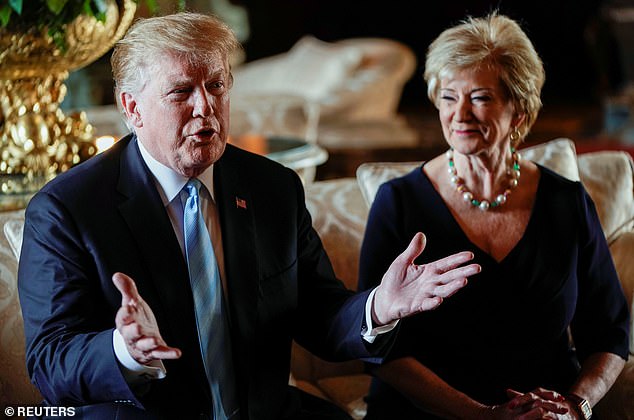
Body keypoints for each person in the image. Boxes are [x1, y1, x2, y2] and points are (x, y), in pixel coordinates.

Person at [17, 12, 481, 420]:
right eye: (181, 92)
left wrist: (379, 306)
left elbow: (319, 314)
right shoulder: (66, 211)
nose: (206, 107)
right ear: (131, 108)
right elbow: (49, 362)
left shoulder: (271, 187)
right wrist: (124, 351)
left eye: (216, 86)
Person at [357, 12, 630, 420]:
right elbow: (380, 349)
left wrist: (576, 406)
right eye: (449, 97)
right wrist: (482, 416)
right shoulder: (398, 203)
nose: (459, 114)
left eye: (480, 98)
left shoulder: (565, 201)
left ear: (518, 111)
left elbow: (610, 333)